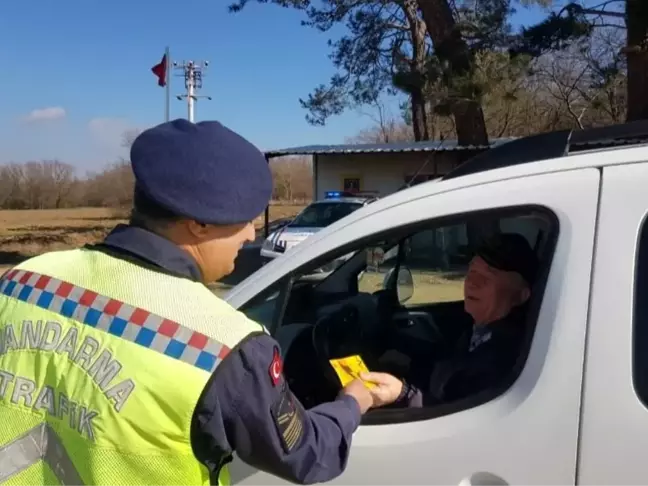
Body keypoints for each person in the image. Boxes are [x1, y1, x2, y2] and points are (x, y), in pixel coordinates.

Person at [0, 119, 398, 486]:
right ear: (198, 223)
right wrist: (353, 401)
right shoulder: (223, 345)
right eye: (244, 220)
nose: (250, 235)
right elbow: (306, 455)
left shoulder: (23, 279)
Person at [363, 232, 538, 408]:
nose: (471, 282)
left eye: (486, 278)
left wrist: (403, 394)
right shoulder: (478, 329)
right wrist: (409, 364)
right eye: (471, 271)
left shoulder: (507, 357)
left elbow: (459, 417)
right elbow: (449, 366)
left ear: (521, 295)